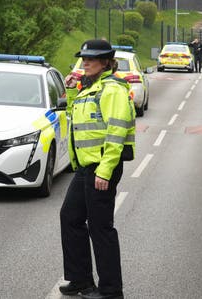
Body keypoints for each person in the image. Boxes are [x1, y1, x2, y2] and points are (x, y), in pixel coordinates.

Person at [59, 39, 135, 299]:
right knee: (70, 218)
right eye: (84, 58)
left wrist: (105, 170)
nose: (85, 62)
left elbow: (116, 130)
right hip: (85, 167)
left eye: (92, 58)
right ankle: (81, 281)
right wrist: (70, 92)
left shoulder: (112, 89)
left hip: (102, 167)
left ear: (105, 62)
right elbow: (76, 120)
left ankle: (111, 291)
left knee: (101, 227)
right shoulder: (89, 88)